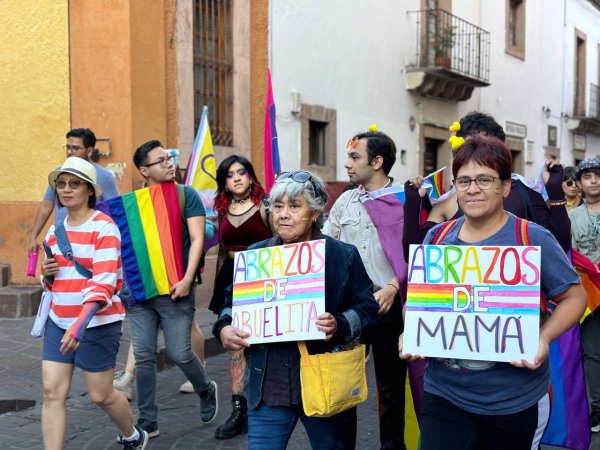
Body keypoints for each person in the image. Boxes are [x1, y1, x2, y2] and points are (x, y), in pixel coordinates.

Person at [399, 135, 586, 450]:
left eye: (484, 180)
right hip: (444, 395)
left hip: (513, 400)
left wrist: (544, 337)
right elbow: (418, 301)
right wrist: (412, 329)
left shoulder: (531, 238)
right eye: (464, 181)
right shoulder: (437, 237)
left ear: (506, 186)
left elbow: (574, 297)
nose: (472, 189)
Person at [213, 170, 379, 450]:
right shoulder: (256, 256)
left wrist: (339, 324)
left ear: (314, 213)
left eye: (294, 206)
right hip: (268, 387)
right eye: (278, 206)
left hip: (325, 387)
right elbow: (231, 303)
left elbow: (367, 309)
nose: (283, 214)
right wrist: (224, 327)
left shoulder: (342, 255)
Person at [40, 157, 147, 450]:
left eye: (74, 183)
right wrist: (46, 275)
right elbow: (52, 284)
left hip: (96, 323)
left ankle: (133, 435)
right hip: (59, 320)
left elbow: (104, 284)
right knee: (52, 392)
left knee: (100, 395)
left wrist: (79, 326)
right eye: (61, 184)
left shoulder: (105, 227)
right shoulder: (54, 231)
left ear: (89, 190)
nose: (66, 189)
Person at [126, 140, 217, 439]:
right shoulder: (135, 203)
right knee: (143, 355)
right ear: (144, 170)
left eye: (169, 158)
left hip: (176, 288)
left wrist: (188, 278)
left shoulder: (185, 195)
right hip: (141, 294)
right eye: (161, 160)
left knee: (180, 353)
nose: (169, 163)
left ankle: (205, 389)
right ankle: (147, 421)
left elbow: (197, 238)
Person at [323, 128, 408, 450]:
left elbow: (416, 254)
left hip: (389, 307)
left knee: (390, 391)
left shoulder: (403, 200)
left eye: (354, 157)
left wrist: (392, 287)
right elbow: (328, 247)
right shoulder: (346, 200)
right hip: (352, 311)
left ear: (377, 161)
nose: (347, 163)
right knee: (345, 387)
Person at [402, 112, 571, 255]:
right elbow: (416, 256)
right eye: (470, 148)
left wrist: (556, 193)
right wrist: (412, 204)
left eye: (487, 149)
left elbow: (559, 247)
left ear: (505, 187)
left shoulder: (524, 192)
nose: (477, 156)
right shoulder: (446, 204)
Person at [208, 155, 272, 439]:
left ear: (251, 176)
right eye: (229, 174)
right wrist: (217, 288)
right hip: (232, 279)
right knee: (235, 344)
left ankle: (269, 403)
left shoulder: (267, 206)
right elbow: (223, 251)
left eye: (241, 172)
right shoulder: (223, 209)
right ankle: (239, 411)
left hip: (264, 277)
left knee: (267, 341)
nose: (236, 178)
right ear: (224, 181)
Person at [28, 128, 120, 254]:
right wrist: (33, 236)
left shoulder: (104, 176)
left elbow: (114, 209)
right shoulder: (59, 172)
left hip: (89, 240)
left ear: (89, 151)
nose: (70, 152)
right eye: (68, 147)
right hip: (61, 237)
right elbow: (46, 205)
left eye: (76, 148)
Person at [569, 157, 600, 432]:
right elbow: (572, 253)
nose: (593, 180)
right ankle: (597, 410)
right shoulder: (572, 217)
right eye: (587, 176)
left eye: (598, 175)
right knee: (592, 351)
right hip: (590, 292)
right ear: (578, 184)